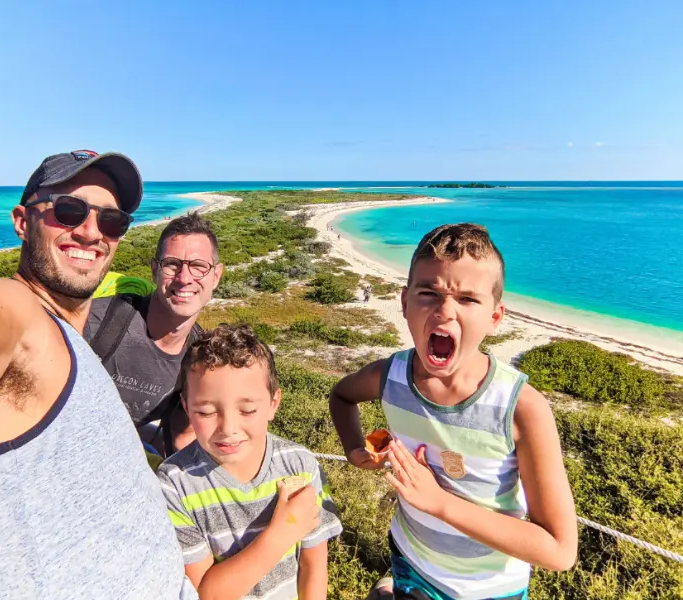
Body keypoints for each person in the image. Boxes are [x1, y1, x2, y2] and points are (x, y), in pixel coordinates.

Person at [0, 150, 197, 599]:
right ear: (21, 220)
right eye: (68, 210)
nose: (91, 231)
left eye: (112, 221)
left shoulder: (70, 337)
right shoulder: (13, 314)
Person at [330, 223, 578, 600]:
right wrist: (355, 450)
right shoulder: (389, 377)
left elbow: (559, 550)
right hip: (408, 558)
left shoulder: (522, 409)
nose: (445, 311)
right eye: (428, 293)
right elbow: (342, 396)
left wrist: (439, 502)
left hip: (489, 589)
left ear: (495, 317)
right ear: (404, 303)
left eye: (467, 299)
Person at [157, 324, 343, 600]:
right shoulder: (174, 484)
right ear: (186, 407)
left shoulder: (300, 465)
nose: (228, 428)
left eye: (247, 410)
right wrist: (284, 530)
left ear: (273, 403)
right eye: (206, 412)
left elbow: (313, 567)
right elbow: (205, 595)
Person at [84, 212, 223, 459]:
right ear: (154, 270)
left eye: (199, 267)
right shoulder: (99, 320)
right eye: (172, 264)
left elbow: (181, 438)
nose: (184, 278)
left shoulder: (197, 357)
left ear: (216, 276)